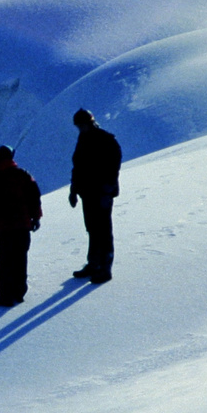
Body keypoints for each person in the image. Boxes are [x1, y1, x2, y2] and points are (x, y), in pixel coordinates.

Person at [0, 145, 42, 307]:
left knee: (4, 261)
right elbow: (34, 198)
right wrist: (36, 218)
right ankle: (19, 293)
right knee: (20, 259)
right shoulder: (23, 175)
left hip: (3, 227)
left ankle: (5, 296)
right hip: (22, 226)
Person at [67, 108, 121, 283]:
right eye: (78, 126)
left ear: (90, 123)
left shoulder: (106, 140)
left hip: (101, 192)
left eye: (82, 125)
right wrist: (73, 191)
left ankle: (106, 268)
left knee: (104, 230)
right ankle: (94, 264)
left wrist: (108, 189)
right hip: (88, 193)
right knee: (92, 228)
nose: (80, 128)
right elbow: (78, 168)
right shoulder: (83, 139)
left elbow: (113, 167)